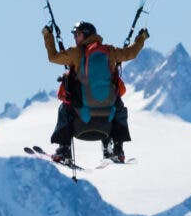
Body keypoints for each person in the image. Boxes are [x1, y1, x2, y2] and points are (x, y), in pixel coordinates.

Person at [42, 19, 148, 167]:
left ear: (85, 35)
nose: (75, 37)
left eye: (77, 34)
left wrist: (48, 35)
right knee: (121, 109)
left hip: (82, 114)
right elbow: (131, 53)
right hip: (107, 115)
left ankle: (64, 150)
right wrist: (141, 38)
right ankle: (117, 149)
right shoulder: (109, 51)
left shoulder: (75, 52)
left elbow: (53, 57)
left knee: (64, 109)